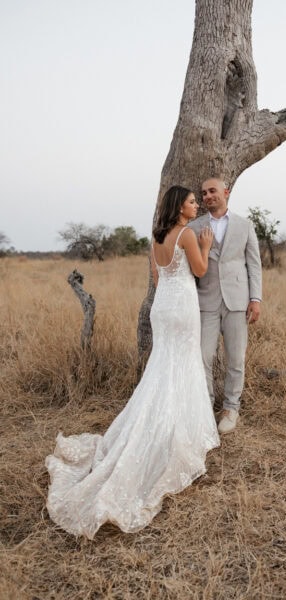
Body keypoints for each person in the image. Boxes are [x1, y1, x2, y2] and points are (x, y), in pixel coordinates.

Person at [45, 186, 219, 539]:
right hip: (183, 307)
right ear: (179, 207)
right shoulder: (187, 234)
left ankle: (158, 423)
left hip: (162, 306)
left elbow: (158, 278)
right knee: (183, 365)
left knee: (162, 368)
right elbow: (199, 271)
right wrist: (206, 246)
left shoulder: (156, 238)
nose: (195, 205)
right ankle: (179, 431)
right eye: (190, 202)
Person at [189, 177, 262, 434]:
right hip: (206, 301)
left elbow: (254, 264)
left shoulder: (245, 225)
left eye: (212, 191)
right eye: (204, 193)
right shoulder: (194, 226)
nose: (208, 196)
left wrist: (256, 299)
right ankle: (206, 406)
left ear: (226, 193)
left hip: (237, 300)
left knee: (236, 359)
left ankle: (231, 408)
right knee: (201, 356)